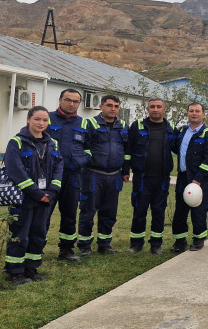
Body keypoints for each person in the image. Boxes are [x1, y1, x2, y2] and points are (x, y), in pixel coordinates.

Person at [3, 106, 63, 285]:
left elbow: (59, 167)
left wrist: (52, 191)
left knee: (39, 233)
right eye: (37, 119)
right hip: (24, 198)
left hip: (46, 198)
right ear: (28, 119)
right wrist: (36, 193)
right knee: (20, 233)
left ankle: (31, 268)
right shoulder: (17, 142)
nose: (41, 123)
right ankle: (15, 272)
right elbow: (16, 171)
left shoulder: (53, 143)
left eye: (45, 120)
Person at [77, 95, 129, 256]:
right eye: (109, 105)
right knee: (88, 210)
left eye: (116, 106)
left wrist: (126, 171)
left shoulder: (123, 126)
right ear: (101, 106)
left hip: (114, 175)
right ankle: (85, 245)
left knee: (109, 212)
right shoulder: (90, 124)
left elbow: (127, 151)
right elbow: (81, 146)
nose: (113, 109)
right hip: (93, 174)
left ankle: (104, 245)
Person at [124, 98, 176, 255]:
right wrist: (125, 170)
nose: (155, 109)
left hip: (162, 178)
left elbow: (178, 149)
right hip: (142, 178)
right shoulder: (137, 126)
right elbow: (128, 150)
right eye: (152, 106)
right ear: (147, 109)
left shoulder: (171, 128)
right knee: (139, 211)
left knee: (159, 211)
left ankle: (156, 244)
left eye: (159, 107)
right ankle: (136, 244)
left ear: (164, 109)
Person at [46, 89, 90, 263]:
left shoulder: (83, 123)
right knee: (43, 213)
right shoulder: (47, 119)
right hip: (49, 176)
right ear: (60, 100)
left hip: (73, 176)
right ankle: (36, 248)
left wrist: (81, 161)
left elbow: (89, 149)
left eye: (75, 101)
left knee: (70, 213)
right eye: (68, 100)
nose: (71, 104)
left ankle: (66, 249)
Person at [171, 102, 208, 252]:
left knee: (198, 210)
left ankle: (198, 239)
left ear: (203, 115)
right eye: (191, 111)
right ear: (187, 114)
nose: (194, 113)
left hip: (199, 180)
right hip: (183, 177)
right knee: (180, 210)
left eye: (197, 111)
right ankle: (180, 241)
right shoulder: (182, 131)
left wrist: (198, 178)